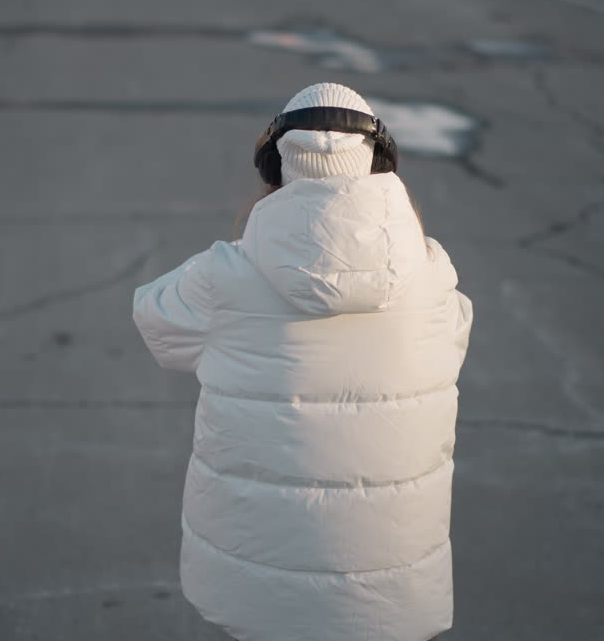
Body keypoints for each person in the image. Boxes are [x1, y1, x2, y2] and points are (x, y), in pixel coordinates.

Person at [133, 83, 474, 641]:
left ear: (276, 166)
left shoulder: (221, 276)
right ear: (378, 163)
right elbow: (453, 341)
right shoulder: (434, 274)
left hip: (255, 586)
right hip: (390, 594)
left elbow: (156, 324)